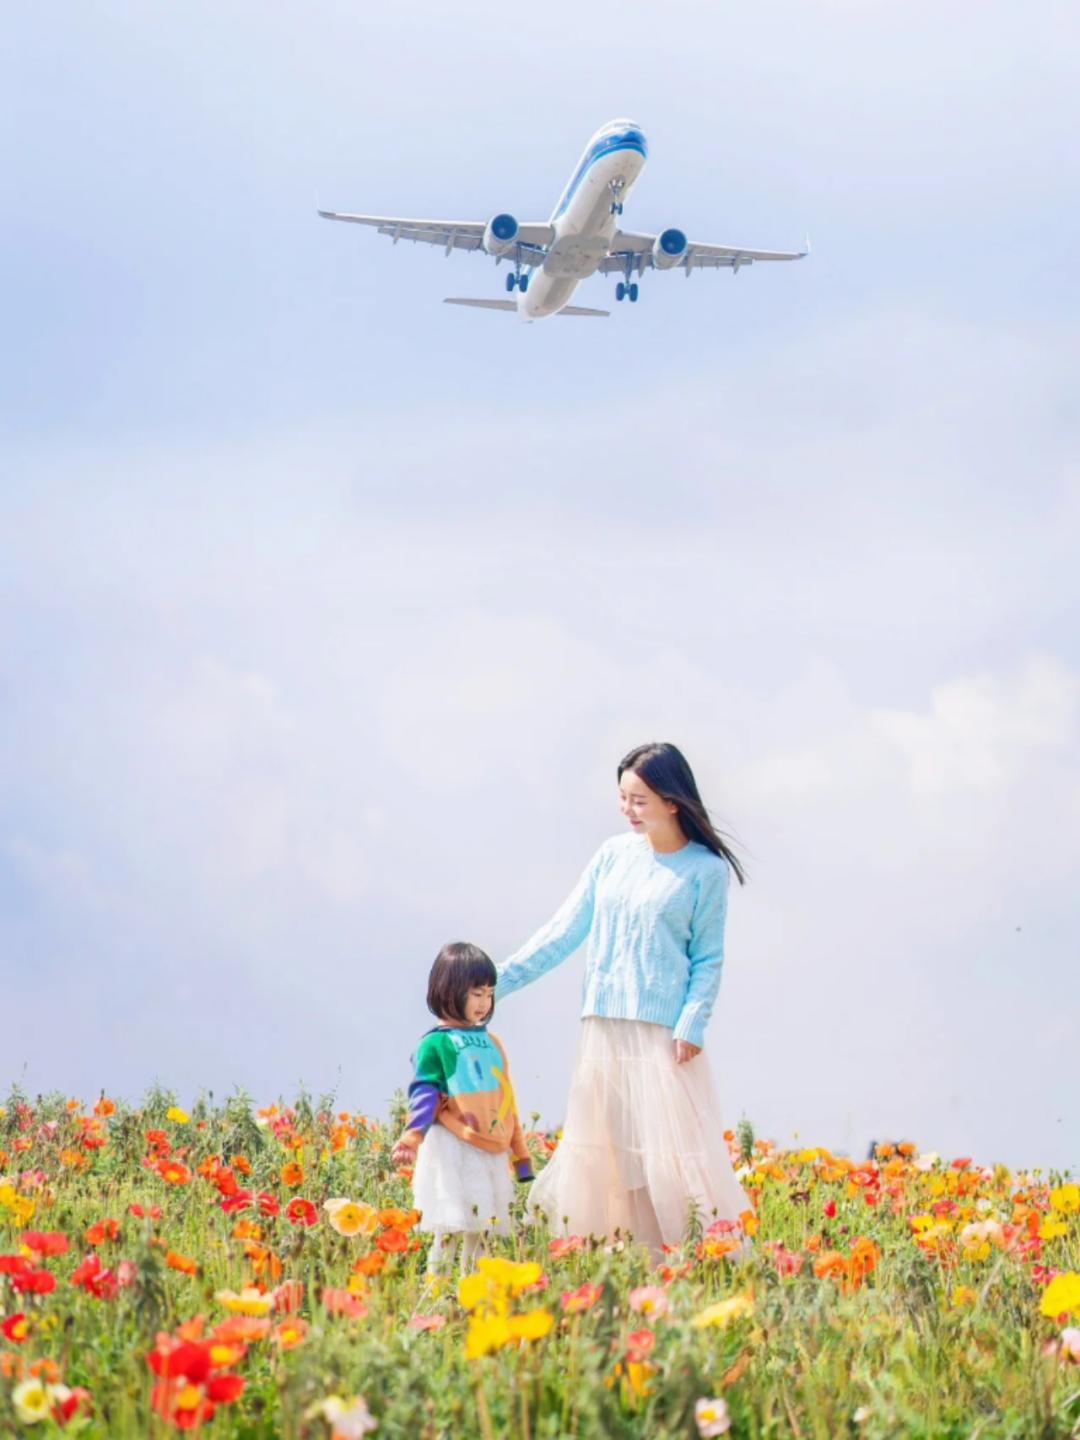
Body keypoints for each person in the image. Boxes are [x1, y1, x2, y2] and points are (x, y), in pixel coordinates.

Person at [496, 742, 750, 1255]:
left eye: (639, 800)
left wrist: (692, 1024)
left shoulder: (705, 871)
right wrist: (494, 983)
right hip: (603, 1027)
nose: (627, 810)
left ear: (673, 801)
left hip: (663, 1035)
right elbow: (565, 930)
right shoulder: (612, 856)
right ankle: (620, 1258)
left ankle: (693, 1257)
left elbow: (708, 958)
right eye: (623, 798)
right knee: (609, 1155)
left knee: (666, 1158)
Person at [391, 942, 534, 1277]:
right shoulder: (437, 1043)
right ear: (449, 990)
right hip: (453, 1146)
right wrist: (413, 1136)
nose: (484, 1004)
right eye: (476, 994)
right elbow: (425, 1092)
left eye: (489, 994)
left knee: (482, 1231)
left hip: (490, 1149)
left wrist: (520, 1155)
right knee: (450, 1228)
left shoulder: (492, 1043)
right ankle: (435, 1297)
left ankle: (473, 1298)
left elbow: (506, 1101)